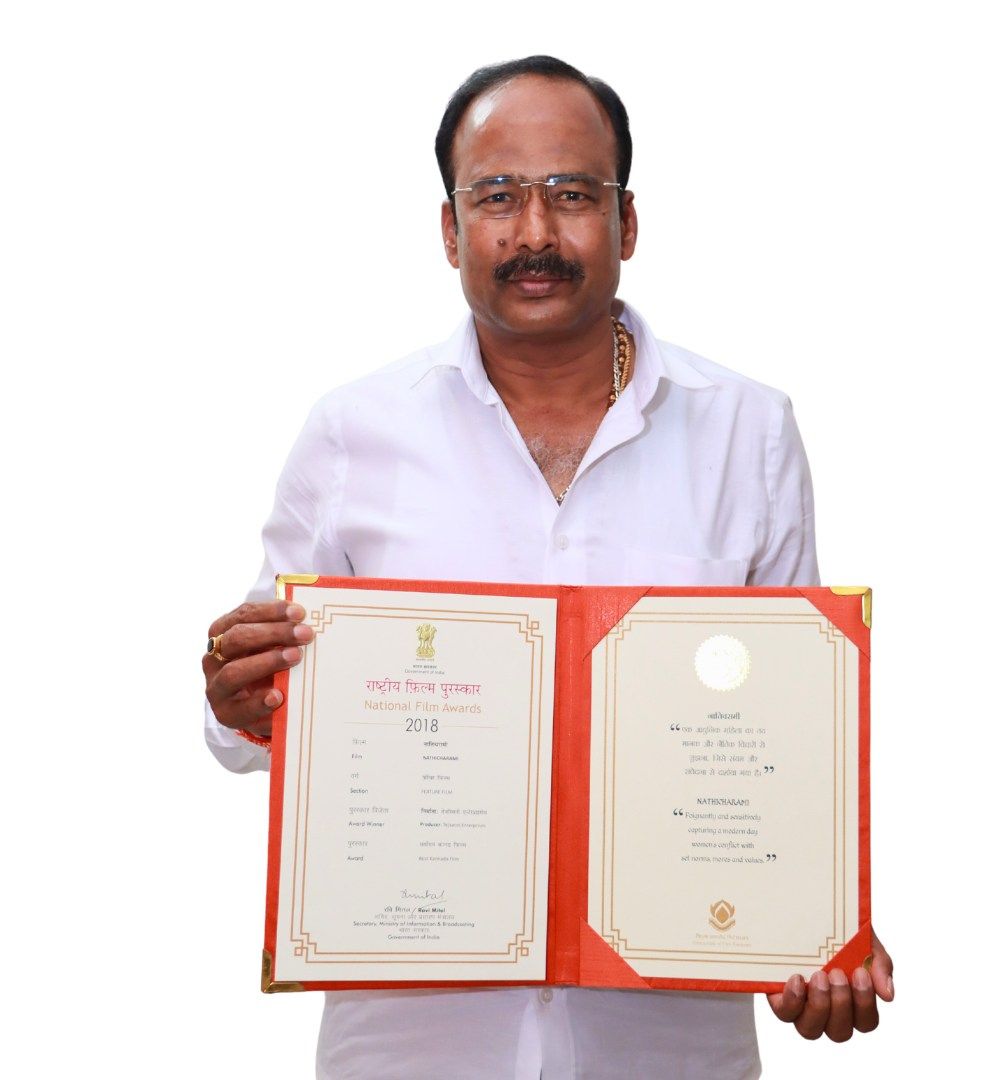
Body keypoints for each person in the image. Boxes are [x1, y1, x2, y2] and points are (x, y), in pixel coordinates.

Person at [204, 55, 893, 1080]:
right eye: (497, 197)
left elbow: (789, 744)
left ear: (628, 223)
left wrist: (815, 929)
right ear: (449, 230)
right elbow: (252, 738)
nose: (534, 234)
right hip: (413, 1049)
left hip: (668, 1050)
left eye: (573, 195)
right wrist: (241, 698)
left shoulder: (747, 430)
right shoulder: (353, 434)